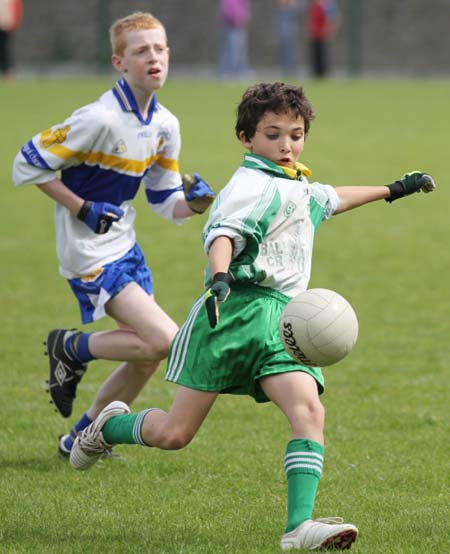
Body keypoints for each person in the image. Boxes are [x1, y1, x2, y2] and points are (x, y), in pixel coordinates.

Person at [69, 82, 435, 550]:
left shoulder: (294, 182)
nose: (286, 144)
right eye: (273, 134)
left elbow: (330, 198)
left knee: (308, 410)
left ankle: (298, 528)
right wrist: (220, 276)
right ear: (246, 138)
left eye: (296, 134)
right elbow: (223, 232)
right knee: (175, 434)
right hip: (232, 312)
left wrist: (394, 189)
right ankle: (108, 427)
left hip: (284, 320)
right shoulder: (249, 186)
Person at [12, 12, 215, 459]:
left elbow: (163, 199)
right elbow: (25, 164)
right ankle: (69, 347)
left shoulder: (166, 125)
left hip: (125, 246)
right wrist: (80, 207)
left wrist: (196, 204)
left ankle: (80, 439)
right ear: (119, 63)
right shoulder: (98, 119)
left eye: (160, 48)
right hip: (87, 251)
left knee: (146, 355)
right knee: (165, 339)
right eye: (141, 50)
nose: (154, 57)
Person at [217, 0, 251, 79]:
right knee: (231, 50)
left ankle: (239, 71)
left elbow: (245, 5)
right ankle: (229, 71)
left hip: (237, 23)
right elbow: (227, 8)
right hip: (231, 23)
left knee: (239, 49)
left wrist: (245, 16)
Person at [307, 0, 340, 78]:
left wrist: (331, 30)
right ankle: (316, 73)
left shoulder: (328, 4)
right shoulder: (315, 3)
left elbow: (333, 17)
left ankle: (324, 73)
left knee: (323, 54)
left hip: (323, 33)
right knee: (315, 54)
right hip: (315, 33)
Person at [275, 0, 304, 75]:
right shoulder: (282, 12)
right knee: (285, 48)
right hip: (284, 24)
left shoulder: (292, 10)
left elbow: (300, 7)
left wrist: (291, 3)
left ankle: (291, 69)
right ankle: (286, 68)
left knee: (290, 48)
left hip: (289, 26)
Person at [0, 0, 23, 79]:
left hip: (6, 25)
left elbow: (17, 10)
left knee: (5, 50)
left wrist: (14, 24)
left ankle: (7, 73)